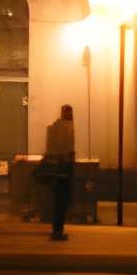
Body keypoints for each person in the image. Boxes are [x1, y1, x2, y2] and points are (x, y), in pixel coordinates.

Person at [43, 103, 77, 240]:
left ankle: (57, 229)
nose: (70, 116)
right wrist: (68, 158)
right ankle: (58, 230)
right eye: (68, 113)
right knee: (61, 200)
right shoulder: (65, 128)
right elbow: (65, 148)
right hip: (63, 168)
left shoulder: (59, 127)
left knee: (59, 200)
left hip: (60, 168)